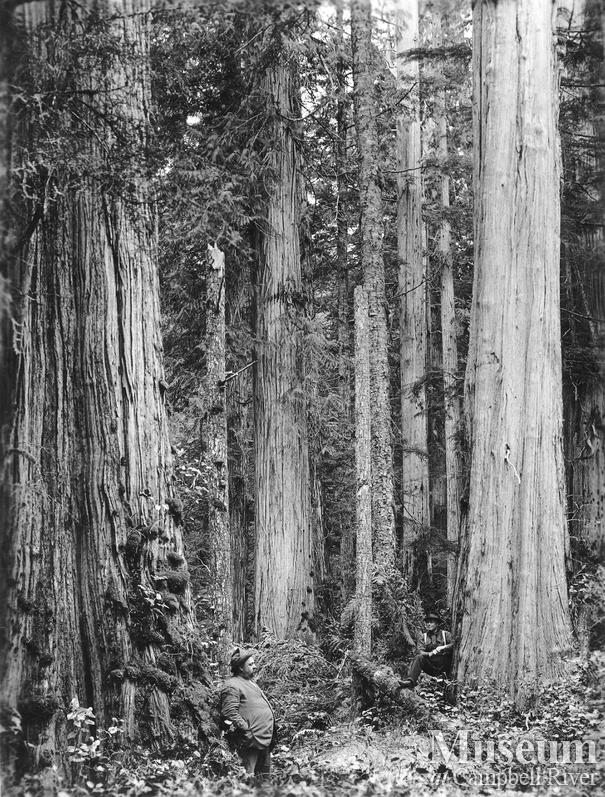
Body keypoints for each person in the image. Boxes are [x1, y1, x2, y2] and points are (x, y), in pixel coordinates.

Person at [219, 647, 276, 777]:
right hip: (250, 741)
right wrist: (246, 730)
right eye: (250, 664)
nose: (255, 666)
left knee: (264, 777)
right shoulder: (232, 685)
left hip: (264, 738)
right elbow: (229, 712)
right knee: (248, 777)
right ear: (240, 668)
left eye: (254, 663)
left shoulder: (250, 682)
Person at [401, 611, 454, 689]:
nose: (428, 624)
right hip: (431, 667)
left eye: (431, 622)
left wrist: (443, 647)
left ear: (437, 624)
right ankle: (410, 682)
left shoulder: (445, 634)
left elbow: (453, 644)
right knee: (418, 657)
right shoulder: (424, 636)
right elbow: (420, 651)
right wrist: (430, 653)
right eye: (427, 622)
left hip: (444, 666)